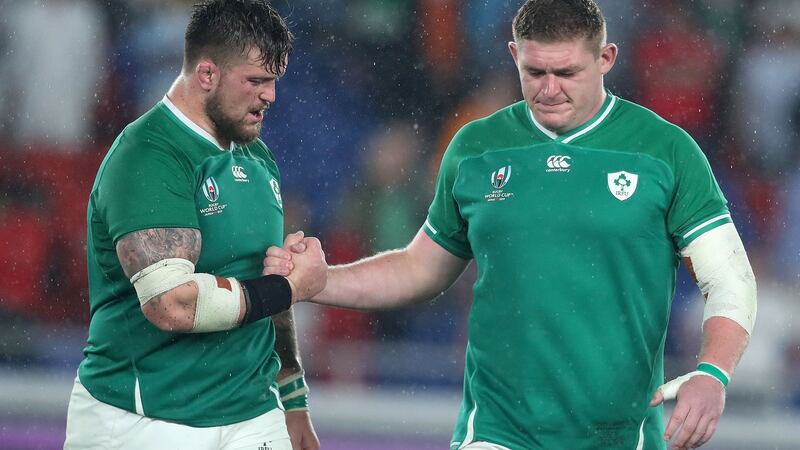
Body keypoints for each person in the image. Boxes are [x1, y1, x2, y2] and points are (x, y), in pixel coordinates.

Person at [265, 1, 757, 449]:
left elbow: (729, 278)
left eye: (566, 72)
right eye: (534, 71)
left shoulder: (665, 151)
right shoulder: (476, 147)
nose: (549, 89)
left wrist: (713, 373)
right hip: (499, 432)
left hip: (621, 434)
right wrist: (321, 282)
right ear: (512, 54)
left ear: (606, 58)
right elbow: (420, 269)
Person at [64, 1, 327, 449]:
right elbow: (171, 305)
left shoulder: (258, 159)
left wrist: (293, 399)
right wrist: (292, 289)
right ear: (207, 75)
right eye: (257, 81)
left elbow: (269, 278)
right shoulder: (146, 155)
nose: (271, 96)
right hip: (142, 418)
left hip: (253, 416)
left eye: (274, 82)